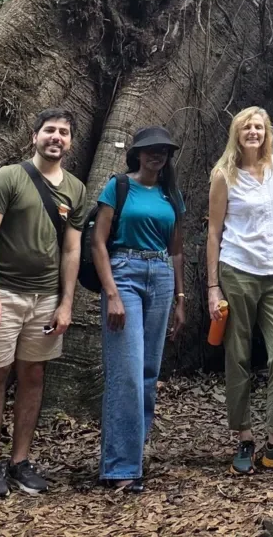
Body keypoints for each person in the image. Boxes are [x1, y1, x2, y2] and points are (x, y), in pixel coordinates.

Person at [0, 107, 88, 498]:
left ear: (70, 142)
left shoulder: (75, 189)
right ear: (34, 136)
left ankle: (20, 461)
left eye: (64, 133)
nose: (56, 137)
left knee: (33, 375)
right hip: (3, 295)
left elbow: (71, 250)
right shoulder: (9, 177)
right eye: (49, 130)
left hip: (45, 299)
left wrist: (66, 304)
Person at [206, 106, 273, 476]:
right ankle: (244, 437)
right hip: (238, 270)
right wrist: (212, 287)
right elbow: (214, 232)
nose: (253, 132)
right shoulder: (224, 174)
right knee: (238, 355)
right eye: (246, 127)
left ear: (267, 132)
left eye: (259, 127)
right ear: (237, 134)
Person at [92, 126, 187, 492]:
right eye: (150, 149)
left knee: (148, 372)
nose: (156, 154)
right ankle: (120, 468)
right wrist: (112, 293)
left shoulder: (171, 194)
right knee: (127, 372)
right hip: (124, 273)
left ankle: (132, 455)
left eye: (163, 150)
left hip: (161, 276)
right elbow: (98, 243)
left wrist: (181, 298)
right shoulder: (118, 187)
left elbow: (176, 250)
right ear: (137, 154)